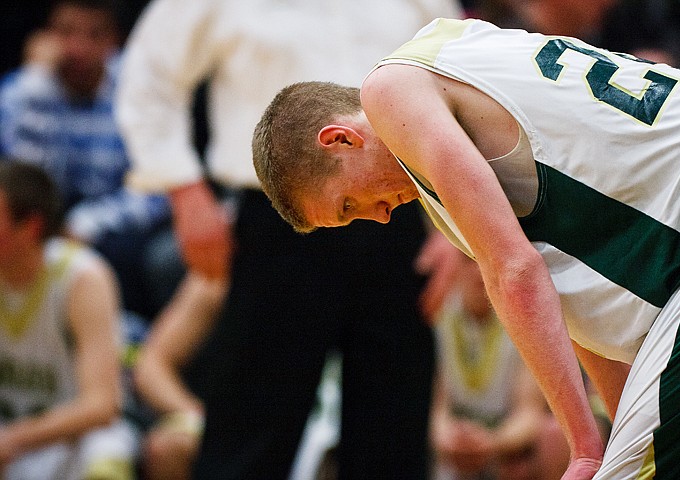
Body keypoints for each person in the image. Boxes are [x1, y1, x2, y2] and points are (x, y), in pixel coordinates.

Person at [253, 16, 680, 479]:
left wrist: (585, 448)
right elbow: (573, 299)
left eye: (349, 204)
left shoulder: (390, 92)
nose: (377, 216)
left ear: (341, 139)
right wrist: (619, 429)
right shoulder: (447, 48)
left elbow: (517, 273)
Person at [115, 0, 464, 478]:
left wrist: (455, 223)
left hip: (401, 211)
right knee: (252, 424)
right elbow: (149, 75)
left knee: (394, 428)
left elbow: (455, 78)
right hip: (278, 221)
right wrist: (185, 189)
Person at [0, 0, 182, 320]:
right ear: (47, 36)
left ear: (114, 41)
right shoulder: (24, 92)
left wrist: (88, 224)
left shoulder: (139, 87)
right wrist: (41, 89)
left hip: (118, 231)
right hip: (47, 222)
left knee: (159, 255)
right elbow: (27, 189)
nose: (78, 48)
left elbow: (158, 186)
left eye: (94, 35)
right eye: (66, 32)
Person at [0, 159, 138, 480]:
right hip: (9, 439)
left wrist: (13, 439)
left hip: (66, 438)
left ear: (30, 227)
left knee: (107, 454)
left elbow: (103, 405)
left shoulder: (81, 278)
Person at [429, 253, 557, 480]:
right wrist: (450, 439)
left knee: (552, 437)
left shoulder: (524, 317)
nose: (478, 269)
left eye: (483, 258)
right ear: (452, 266)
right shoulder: (438, 313)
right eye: (467, 260)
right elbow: (436, 410)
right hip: (454, 443)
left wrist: (491, 442)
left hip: (505, 444)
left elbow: (529, 414)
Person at [133, 272, 227, 480]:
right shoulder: (217, 278)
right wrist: (196, 416)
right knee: (169, 447)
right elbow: (151, 367)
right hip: (215, 420)